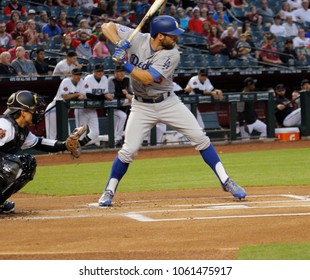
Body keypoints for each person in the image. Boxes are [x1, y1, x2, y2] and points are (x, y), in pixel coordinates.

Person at [98, 15, 246, 207]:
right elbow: (106, 25)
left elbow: (147, 78)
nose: (176, 38)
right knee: (128, 151)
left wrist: (124, 63)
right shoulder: (138, 39)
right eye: (172, 35)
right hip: (141, 106)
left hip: (168, 103)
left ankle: (226, 180)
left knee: (200, 139)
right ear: (160, 36)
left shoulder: (172, 53)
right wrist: (119, 42)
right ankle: (109, 190)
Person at [0, 90, 83, 213]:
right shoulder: (5, 125)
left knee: (28, 164)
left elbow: (41, 143)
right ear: (22, 112)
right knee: (11, 165)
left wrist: (65, 145)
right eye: (33, 109)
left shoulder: (21, 130)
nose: (37, 112)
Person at [45, 68, 88, 140]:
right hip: (53, 109)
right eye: (76, 75)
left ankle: (64, 151)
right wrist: (78, 94)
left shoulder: (81, 82)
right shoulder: (66, 81)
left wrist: (81, 96)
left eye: (80, 75)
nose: (78, 76)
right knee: (51, 136)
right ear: (72, 75)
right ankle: (51, 151)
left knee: (66, 135)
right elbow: (65, 96)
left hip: (64, 112)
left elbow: (83, 95)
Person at [79, 63, 112, 146]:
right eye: (98, 71)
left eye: (101, 71)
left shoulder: (104, 78)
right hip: (82, 109)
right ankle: (76, 147)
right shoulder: (88, 79)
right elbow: (89, 95)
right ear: (93, 71)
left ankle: (80, 144)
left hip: (92, 109)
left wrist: (108, 96)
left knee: (95, 133)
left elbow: (105, 93)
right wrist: (104, 96)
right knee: (81, 133)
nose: (100, 73)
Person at [108, 64, 133, 148]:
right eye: (119, 72)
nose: (122, 74)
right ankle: (117, 140)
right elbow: (112, 95)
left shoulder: (127, 79)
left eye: (122, 72)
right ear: (115, 73)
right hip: (111, 108)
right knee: (122, 117)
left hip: (122, 106)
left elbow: (130, 92)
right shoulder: (111, 80)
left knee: (125, 116)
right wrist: (125, 95)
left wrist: (126, 94)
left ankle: (117, 140)